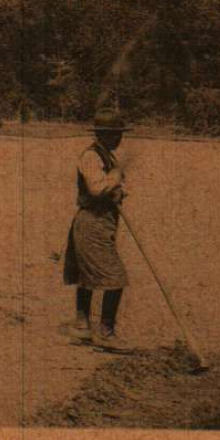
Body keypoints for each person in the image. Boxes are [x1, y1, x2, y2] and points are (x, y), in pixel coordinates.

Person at [63, 109, 130, 346]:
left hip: (101, 221)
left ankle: (82, 326)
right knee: (115, 277)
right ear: (104, 134)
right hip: (92, 221)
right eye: (116, 133)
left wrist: (118, 187)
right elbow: (97, 188)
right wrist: (116, 179)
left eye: (120, 133)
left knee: (88, 274)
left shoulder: (108, 157)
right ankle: (105, 332)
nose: (120, 138)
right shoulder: (92, 157)